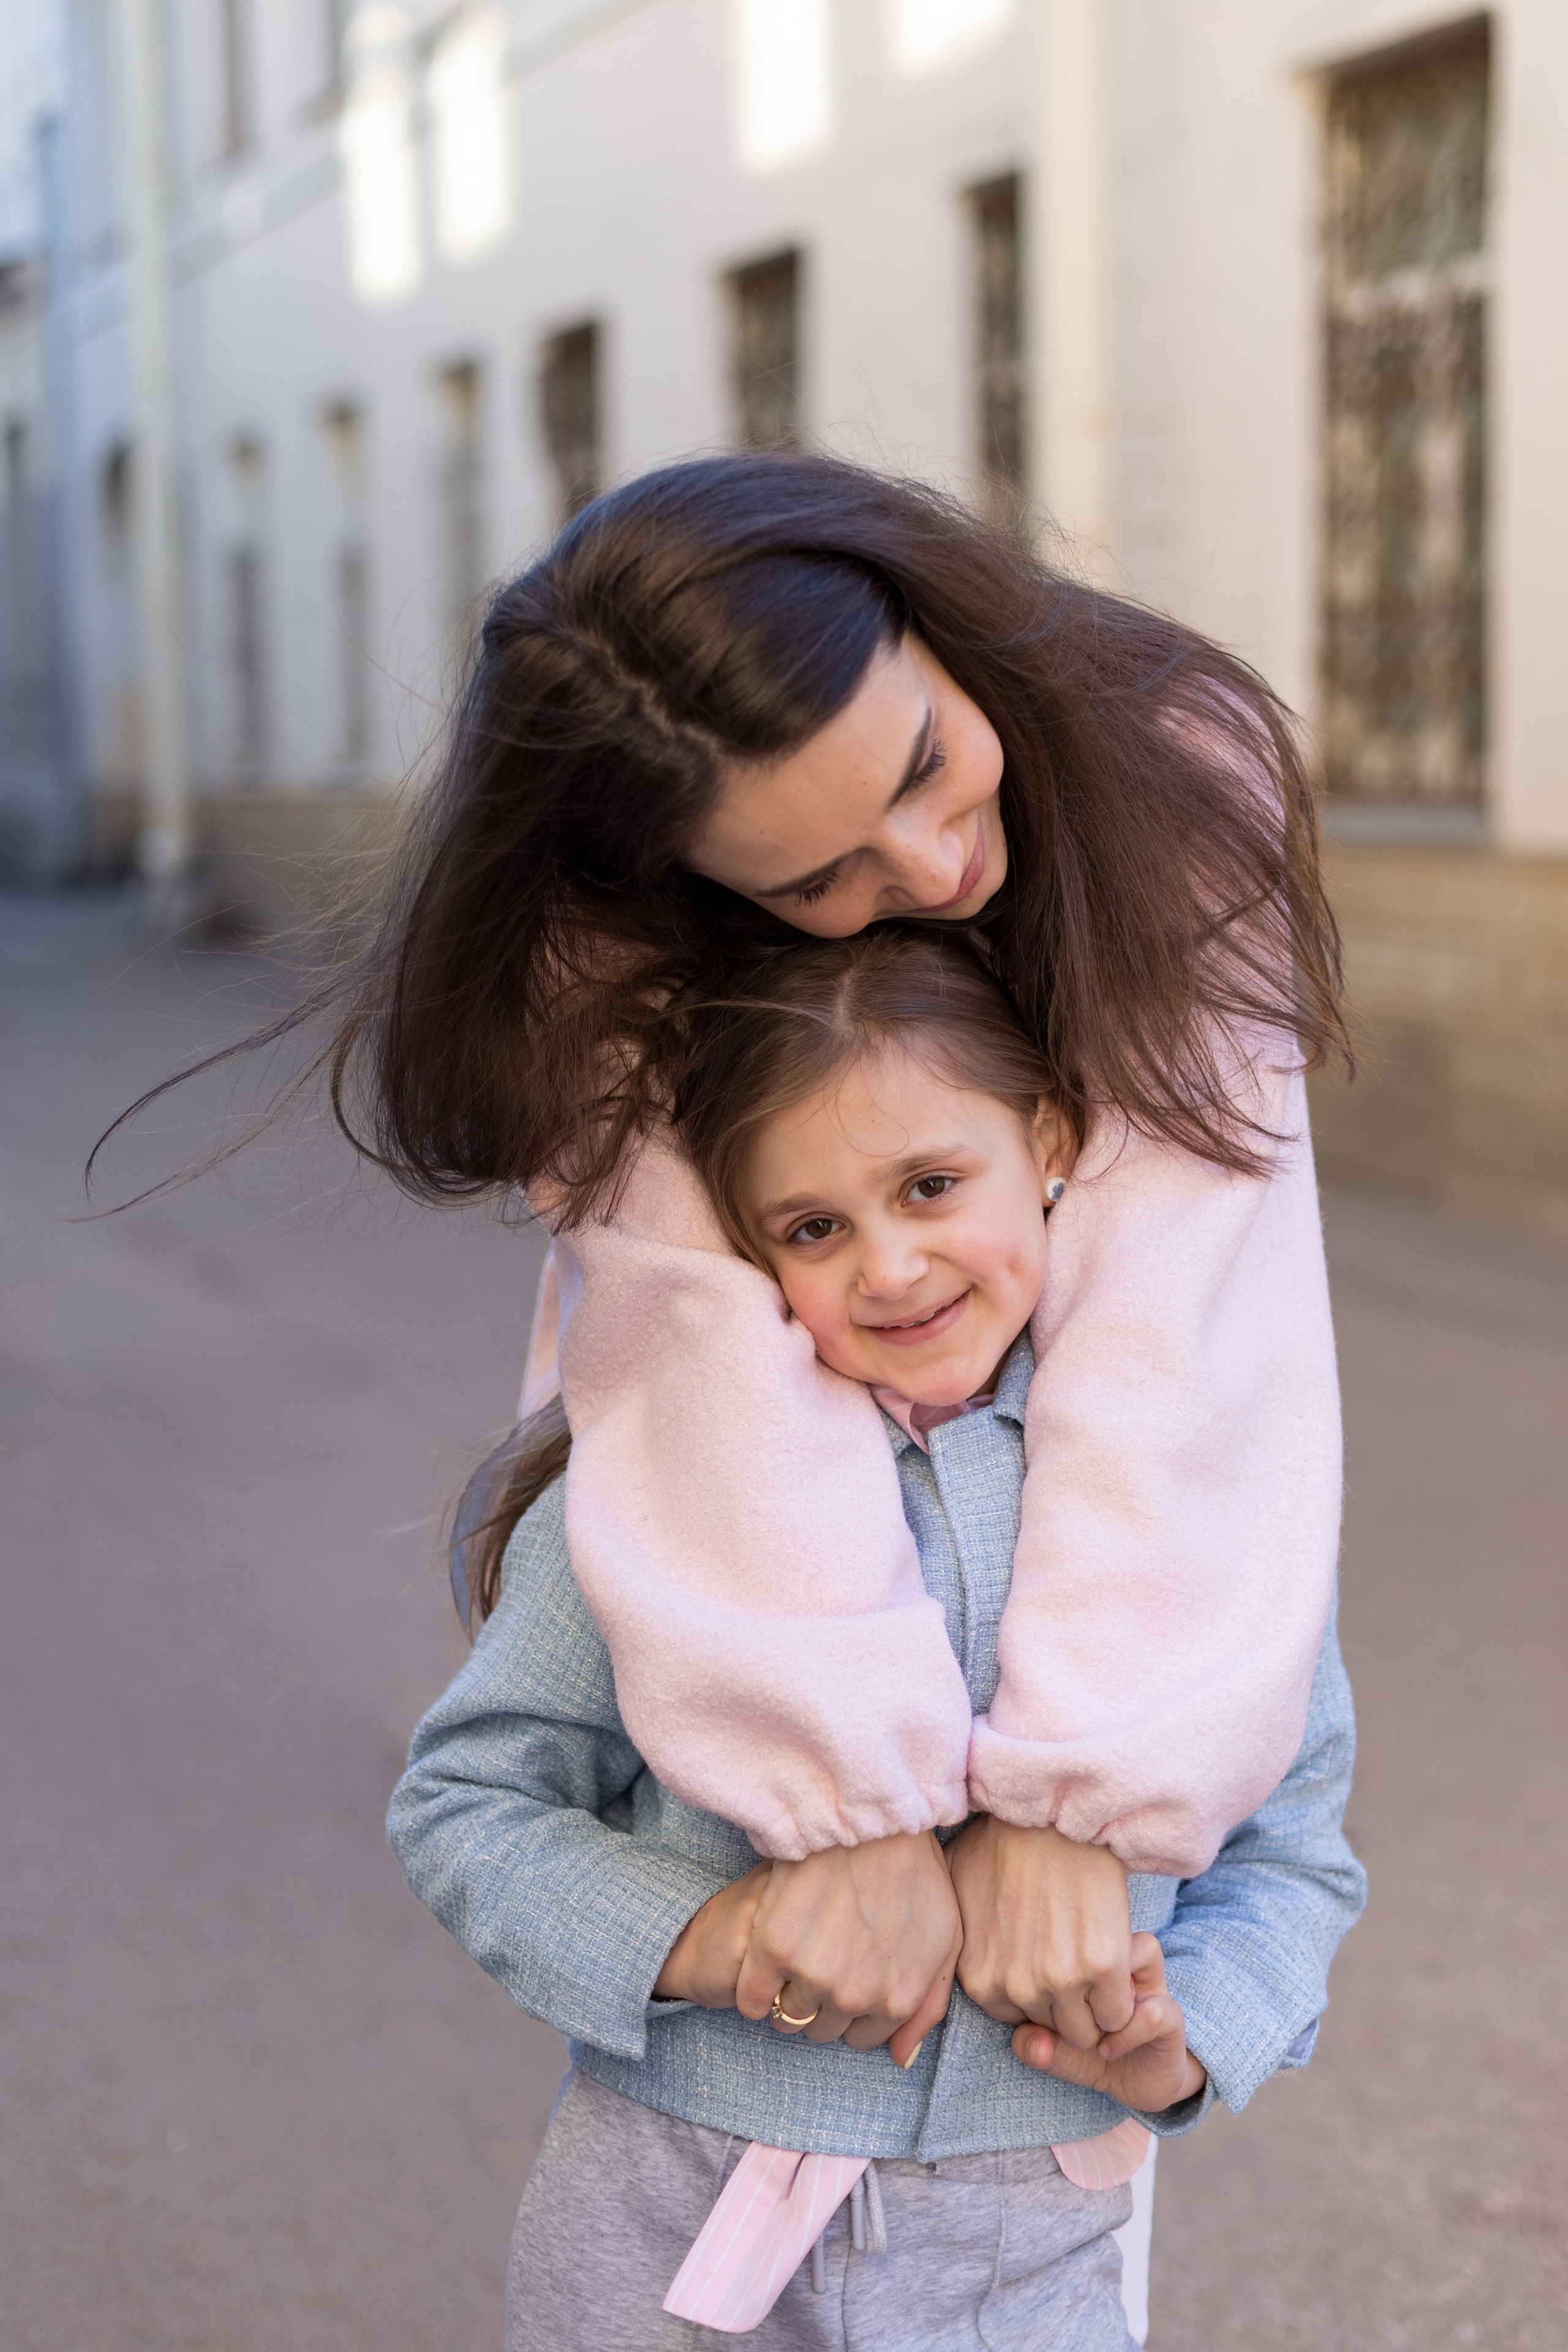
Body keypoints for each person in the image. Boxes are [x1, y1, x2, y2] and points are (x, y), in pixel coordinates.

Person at [391, 928, 1366, 2346]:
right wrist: (714, 1934)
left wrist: (1182, 2042)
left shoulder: (1198, 1500)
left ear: (1045, 1139)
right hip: (666, 2231)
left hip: (1022, 2268)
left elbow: (1296, 1851)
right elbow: (465, 1805)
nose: (890, 1267)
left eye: (928, 1186)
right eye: (811, 1228)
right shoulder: (674, 1486)